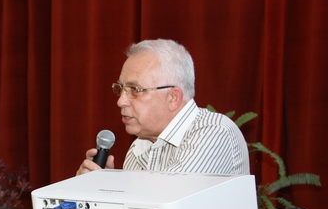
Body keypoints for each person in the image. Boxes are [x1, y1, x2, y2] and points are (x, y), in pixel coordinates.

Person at [77, 39, 249, 176]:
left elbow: (171, 201)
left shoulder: (214, 131)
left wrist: (113, 190)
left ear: (173, 97)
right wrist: (99, 187)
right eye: (121, 89)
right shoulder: (140, 146)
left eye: (135, 90)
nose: (121, 101)